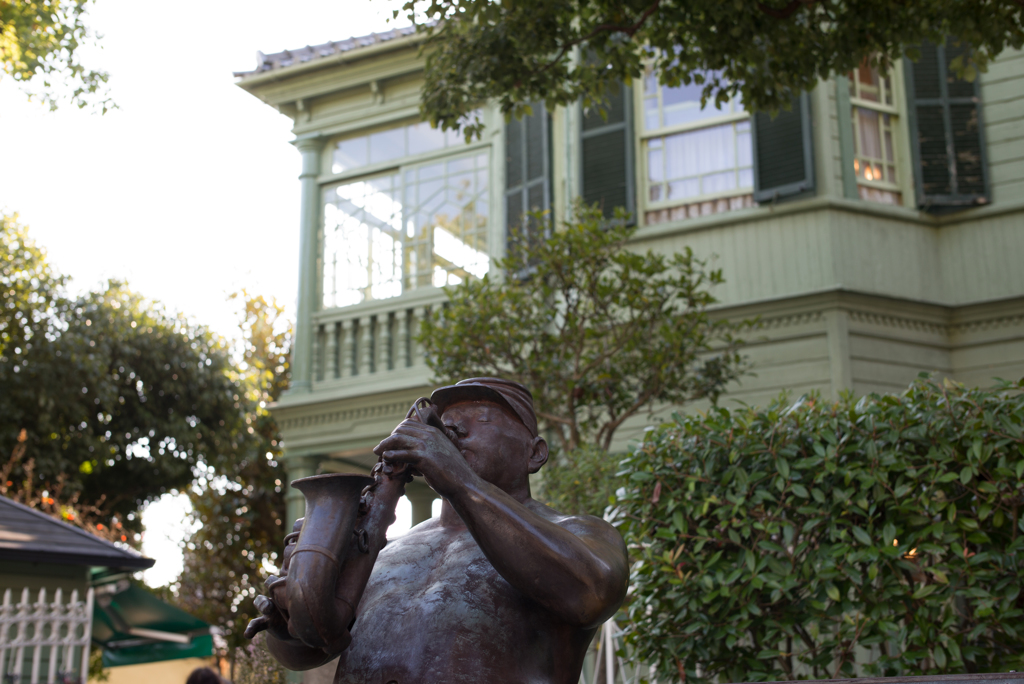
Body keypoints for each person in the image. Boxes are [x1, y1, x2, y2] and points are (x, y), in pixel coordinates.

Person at [260, 378, 628, 684]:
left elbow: (592, 594)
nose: (454, 429)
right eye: (447, 421)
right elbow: (310, 652)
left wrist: (460, 481)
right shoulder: (385, 550)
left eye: (482, 418)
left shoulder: (577, 533)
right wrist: (290, 626)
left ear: (535, 454)